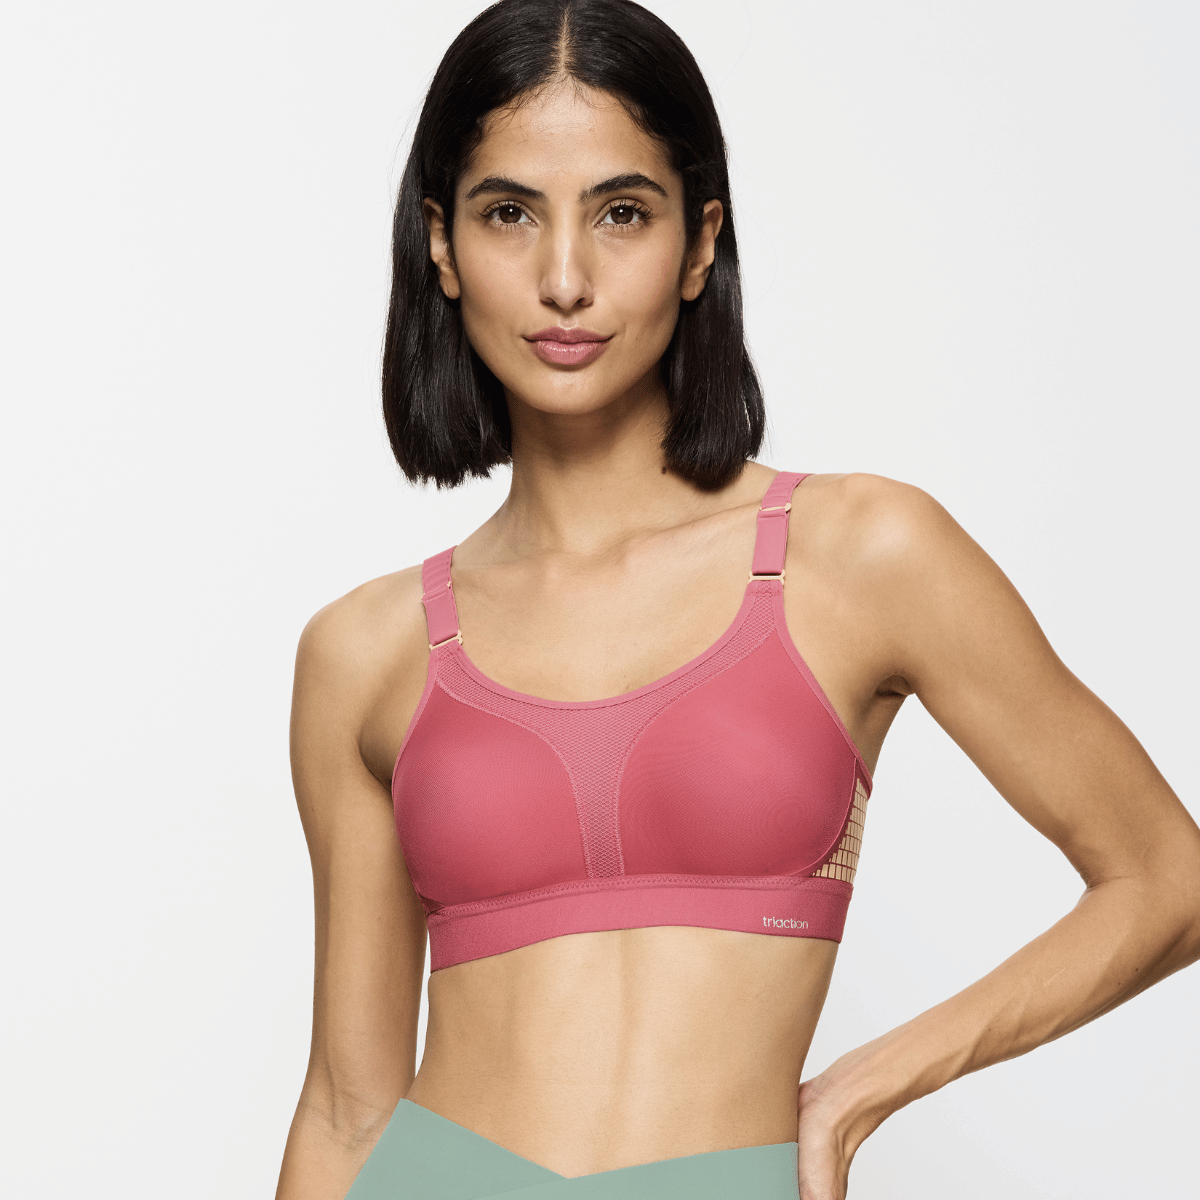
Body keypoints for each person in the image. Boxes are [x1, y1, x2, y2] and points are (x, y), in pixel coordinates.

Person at [274, 2, 1200, 1197]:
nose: (565, 279)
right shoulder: (365, 650)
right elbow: (346, 1109)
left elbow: (1167, 880)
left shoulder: (861, 553)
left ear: (701, 241)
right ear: (441, 245)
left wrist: (858, 1094)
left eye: (622, 213)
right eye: (509, 214)